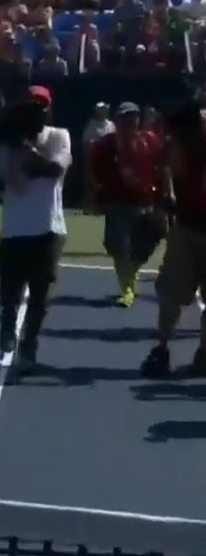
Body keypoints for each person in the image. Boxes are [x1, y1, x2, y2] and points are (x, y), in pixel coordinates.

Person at [0, 85, 71, 369]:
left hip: (48, 228)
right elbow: (3, 176)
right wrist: (13, 142)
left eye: (42, 105)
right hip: (14, 229)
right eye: (32, 105)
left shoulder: (59, 136)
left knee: (40, 296)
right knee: (10, 293)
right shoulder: (8, 144)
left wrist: (26, 148)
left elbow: (54, 170)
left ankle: (29, 346)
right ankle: (7, 325)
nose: (37, 110)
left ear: (50, 108)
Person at [142, 102, 206, 378]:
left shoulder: (185, 140)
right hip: (186, 226)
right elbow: (167, 175)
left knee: (173, 294)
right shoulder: (177, 143)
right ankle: (163, 349)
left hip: (192, 223)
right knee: (170, 293)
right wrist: (165, 200)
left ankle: (199, 353)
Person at [88, 102, 166, 307]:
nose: (131, 121)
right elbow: (95, 173)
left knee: (147, 245)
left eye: (134, 117)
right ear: (117, 120)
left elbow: (162, 167)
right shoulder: (105, 145)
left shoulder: (150, 141)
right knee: (116, 245)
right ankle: (127, 289)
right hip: (117, 202)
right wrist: (97, 196)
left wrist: (163, 194)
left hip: (146, 202)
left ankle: (130, 274)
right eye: (125, 117)